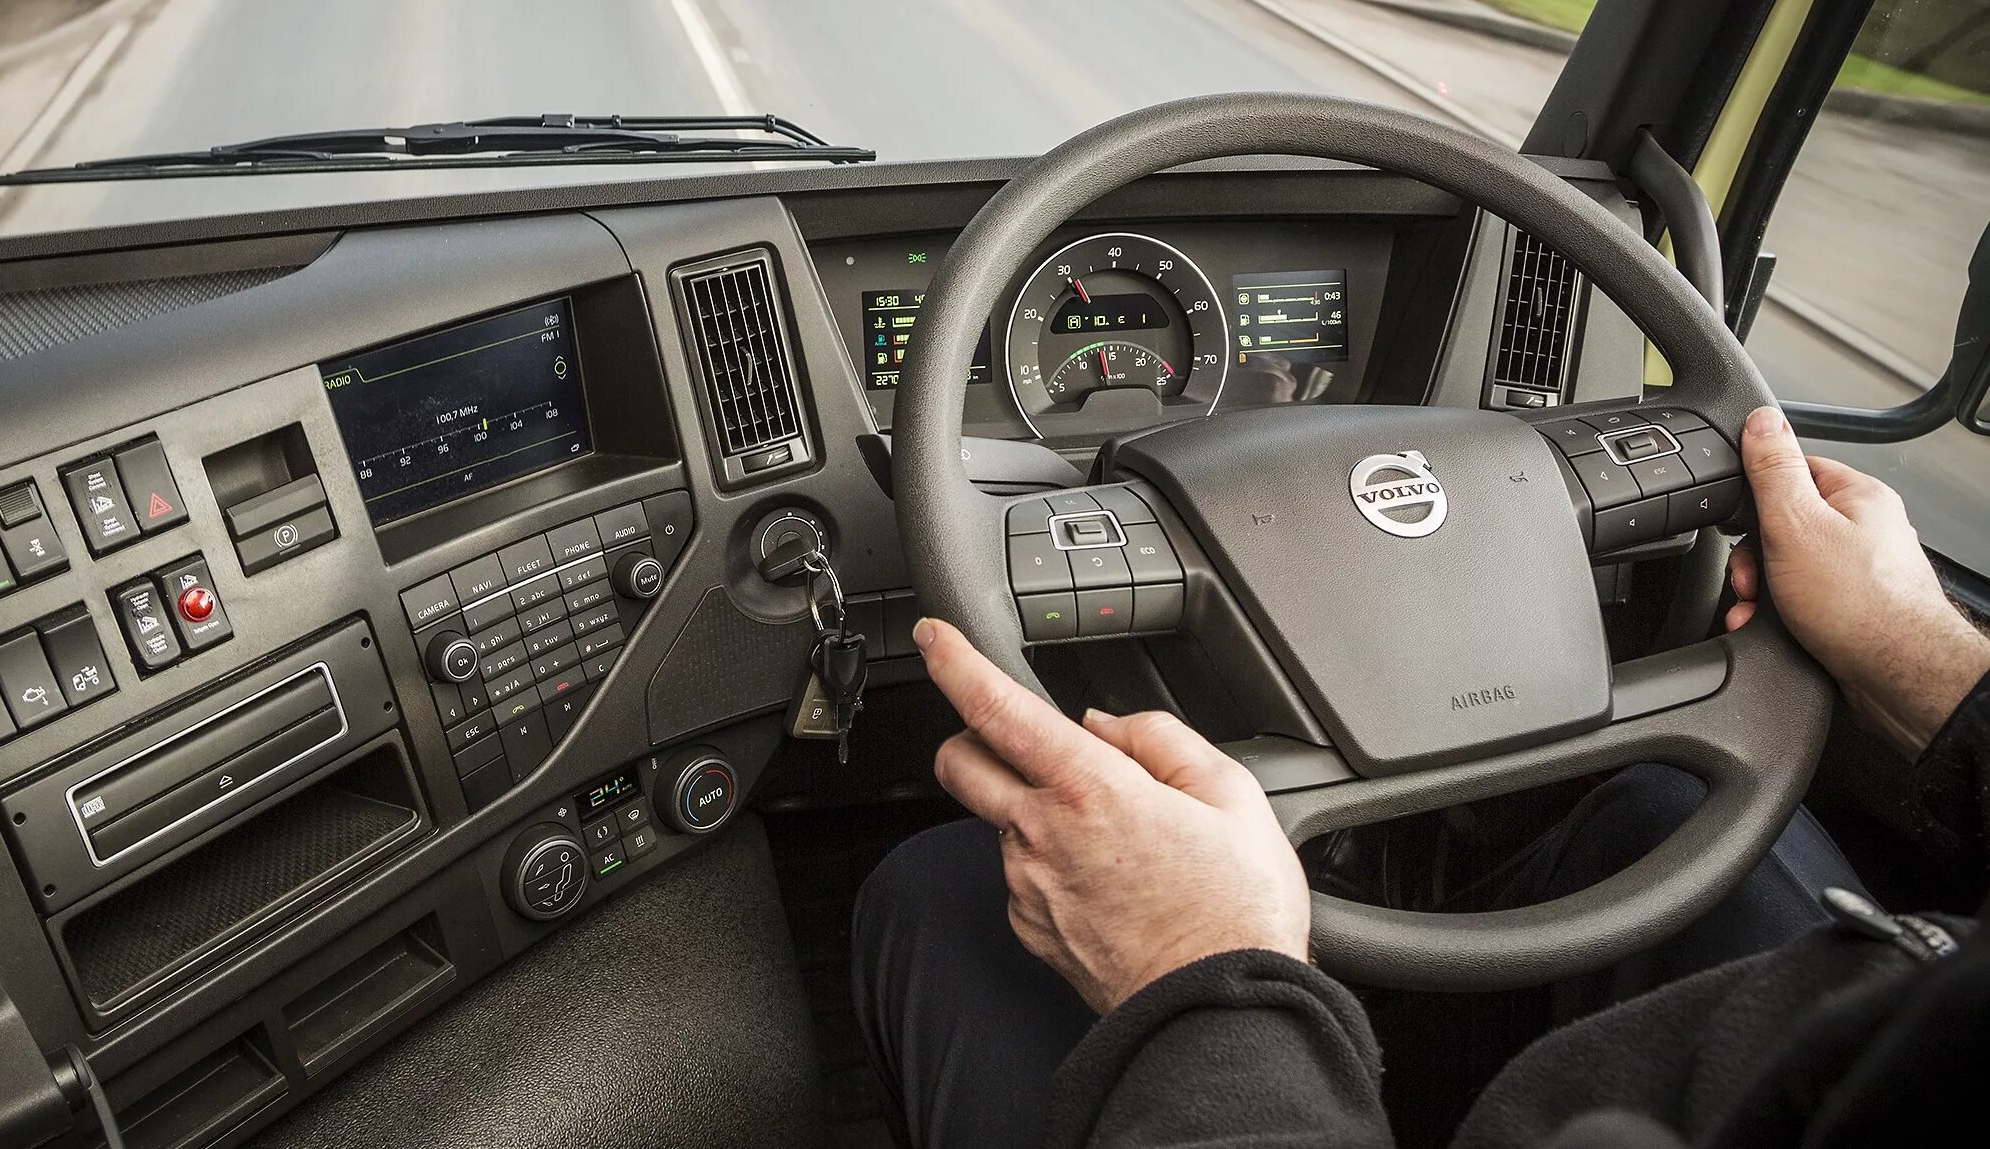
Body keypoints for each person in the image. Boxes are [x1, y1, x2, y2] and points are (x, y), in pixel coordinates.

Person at [853, 407, 1990, 1149]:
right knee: (1670, 810)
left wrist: (1201, 975)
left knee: (952, 892)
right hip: (1849, 1018)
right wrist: (1925, 661)